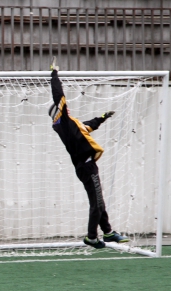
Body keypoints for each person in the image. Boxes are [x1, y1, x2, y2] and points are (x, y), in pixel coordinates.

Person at [48, 57, 129, 249]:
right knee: (97, 202)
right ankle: (92, 236)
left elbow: (87, 127)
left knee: (98, 200)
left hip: (86, 166)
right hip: (86, 166)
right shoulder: (64, 123)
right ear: (59, 112)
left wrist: (101, 118)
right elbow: (58, 95)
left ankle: (108, 232)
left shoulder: (68, 127)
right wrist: (54, 74)